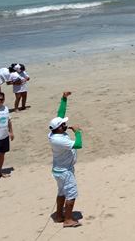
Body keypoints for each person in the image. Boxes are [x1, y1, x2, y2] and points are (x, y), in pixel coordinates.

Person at [49, 91, 83, 228]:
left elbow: (60, 115)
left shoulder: (53, 133)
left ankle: (58, 215)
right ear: (59, 128)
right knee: (71, 194)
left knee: (61, 192)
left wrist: (64, 99)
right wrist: (78, 132)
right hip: (65, 172)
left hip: (58, 170)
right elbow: (78, 144)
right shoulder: (59, 140)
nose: (65, 125)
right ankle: (68, 220)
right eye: (63, 125)